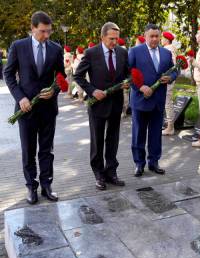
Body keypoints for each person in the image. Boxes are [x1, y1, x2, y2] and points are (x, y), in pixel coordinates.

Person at [3, 11, 66, 204]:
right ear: (32, 29)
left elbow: (61, 77)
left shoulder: (56, 48)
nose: (46, 35)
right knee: (28, 150)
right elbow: (8, 74)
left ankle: (47, 185)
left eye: (49, 31)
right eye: (42, 31)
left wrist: (54, 91)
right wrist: (20, 97)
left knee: (47, 149)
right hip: (26, 109)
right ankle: (31, 187)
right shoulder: (18, 46)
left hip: (48, 109)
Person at [74, 22, 130, 190]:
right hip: (97, 104)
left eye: (117, 39)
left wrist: (127, 81)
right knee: (97, 140)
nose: (114, 42)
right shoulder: (91, 53)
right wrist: (92, 91)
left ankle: (111, 172)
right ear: (102, 37)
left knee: (113, 139)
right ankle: (98, 174)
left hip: (116, 103)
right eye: (111, 39)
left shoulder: (122, 52)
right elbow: (78, 76)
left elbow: (127, 72)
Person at [128, 24, 178, 177]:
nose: (155, 39)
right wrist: (140, 87)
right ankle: (139, 164)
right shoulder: (135, 51)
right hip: (141, 100)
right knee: (139, 134)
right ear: (146, 35)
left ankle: (154, 162)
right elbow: (127, 73)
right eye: (152, 36)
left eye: (157, 36)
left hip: (158, 101)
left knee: (156, 134)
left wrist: (170, 78)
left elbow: (175, 70)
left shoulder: (166, 53)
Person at [161, 31, 177, 135]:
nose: (161, 40)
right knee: (167, 102)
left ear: (166, 40)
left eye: (162, 38)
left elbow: (171, 66)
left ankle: (170, 127)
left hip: (168, 79)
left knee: (167, 102)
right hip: (168, 78)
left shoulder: (168, 50)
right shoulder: (170, 49)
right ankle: (169, 125)